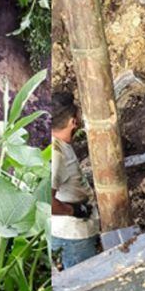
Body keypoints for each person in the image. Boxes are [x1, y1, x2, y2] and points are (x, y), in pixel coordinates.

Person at [51, 92, 100, 268]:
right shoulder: (56, 155)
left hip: (75, 230)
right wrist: (74, 210)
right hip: (73, 235)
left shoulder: (59, 145)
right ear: (73, 122)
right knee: (84, 280)